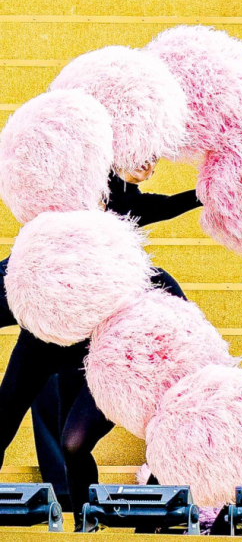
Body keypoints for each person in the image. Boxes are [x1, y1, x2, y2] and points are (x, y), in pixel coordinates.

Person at [0, 157, 203, 528]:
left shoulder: (127, 213)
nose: (151, 167)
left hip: (95, 342)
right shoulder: (65, 201)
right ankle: (83, 517)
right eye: (145, 158)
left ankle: (86, 523)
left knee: (73, 442)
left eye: (154, 160)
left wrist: (206, 194)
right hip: (45, 332)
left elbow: (164, 206)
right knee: (4, 416)